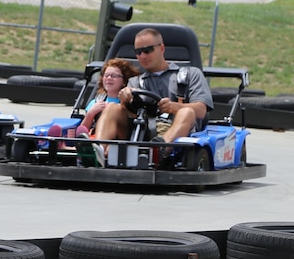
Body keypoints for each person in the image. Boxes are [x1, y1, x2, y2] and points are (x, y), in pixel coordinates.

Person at [96, 27, 213, 166]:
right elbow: (126, 114)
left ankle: (159, 151)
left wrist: (174, 107)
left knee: (186, 111)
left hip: (177, 132)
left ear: (161, 48)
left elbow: (201, 110)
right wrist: (125, 100)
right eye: (138, 52)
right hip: (144, 130)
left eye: (147, 50)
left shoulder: (190, 74)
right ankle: (98, 150)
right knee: (112, 108)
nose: (143, 56)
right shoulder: (135, 81)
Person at [78, 58, 137, 138]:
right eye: (106, 75)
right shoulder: (96, 102)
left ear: (124, 81)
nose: (109, 78)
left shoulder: (129, 103)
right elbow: (82, 131)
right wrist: (90, 114)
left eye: (114, 76)